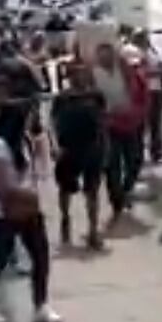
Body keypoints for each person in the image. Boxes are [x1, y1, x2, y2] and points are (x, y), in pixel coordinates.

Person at [0, 92, 63, 322]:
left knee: (40, 256)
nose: (34, 120)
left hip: (27, 208)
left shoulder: (25, 141)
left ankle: (41, 305)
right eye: (30, 116)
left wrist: (42, 143)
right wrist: (21, 198)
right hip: (1, 212)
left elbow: (41, 169)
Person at [51, 62, 107, 250]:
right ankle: (65, 219)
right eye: (75, 74)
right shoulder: (62, 98)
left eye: (83, 73)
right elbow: (53, 122)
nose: (79, 77)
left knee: (92, 191)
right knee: (65, 189)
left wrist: (104, 145)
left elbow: (103, 120)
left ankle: (93, 231)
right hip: (68, 148)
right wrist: (54, 145)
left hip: (92, 148)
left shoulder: (96, 95)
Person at [92, 42, 148, 221]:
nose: (105, 59)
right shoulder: (94, 75)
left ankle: (125, 190)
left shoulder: (127, 72)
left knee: (135, 161)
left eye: (108, 55)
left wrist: (139, 114)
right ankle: (117, 201)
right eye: (101, 56)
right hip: (108, 125)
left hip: (131, 123)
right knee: (112, 165)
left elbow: (143, 96)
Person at [127, 30, 162, 163]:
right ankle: (137, 153)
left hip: (155, 89)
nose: (144, 39)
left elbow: (160, 67)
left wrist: (160, 72)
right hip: (141, 91)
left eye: (144, 36)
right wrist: (153, 71)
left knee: (155, 123)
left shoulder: (153, 51)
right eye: (140, 37)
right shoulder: (132, 52)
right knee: (140, 124)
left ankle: (157, 151)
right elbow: (136, 71)